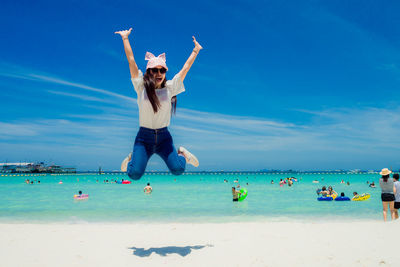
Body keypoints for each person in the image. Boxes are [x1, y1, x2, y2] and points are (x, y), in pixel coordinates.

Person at [116, 28, 202, 180]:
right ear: (149, 72)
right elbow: (131, 60)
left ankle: (181, 153)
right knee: (134, 174)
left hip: (164, 137)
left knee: (178, 169)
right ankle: (132, 158)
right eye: (155, 70)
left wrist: (196, 50)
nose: (159, 74)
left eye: (162, 70)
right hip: (144, 138)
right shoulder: (141, 87)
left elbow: (185, 68)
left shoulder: (170, 88)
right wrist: (125, 38)